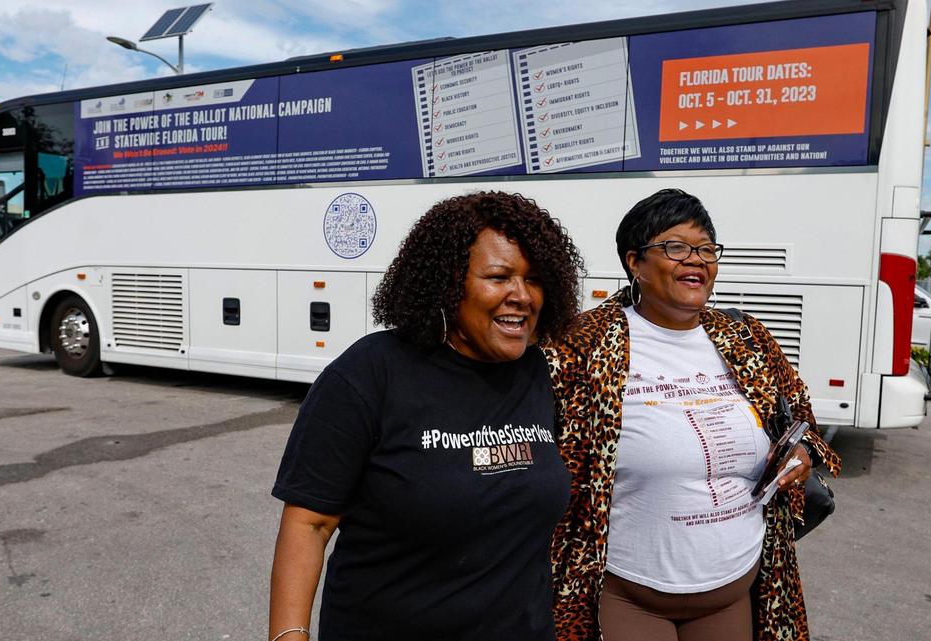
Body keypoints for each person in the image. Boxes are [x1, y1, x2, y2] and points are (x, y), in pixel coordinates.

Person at [269, 191, 584, 641]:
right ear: (448, 282)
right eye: (499, 277)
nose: (522, 296)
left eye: (534, 279)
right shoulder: (370, 374)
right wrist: (289, 634)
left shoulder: (534, 371)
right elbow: (310, 522)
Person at [544, 188, 841, 641]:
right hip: (631, 596)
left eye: (706, 249)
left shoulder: (744, 336)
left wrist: (801, 449)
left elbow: (798, 408)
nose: (696, 260)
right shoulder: (584, 342)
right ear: (635, 263)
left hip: (733, 591)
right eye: (676, 247)